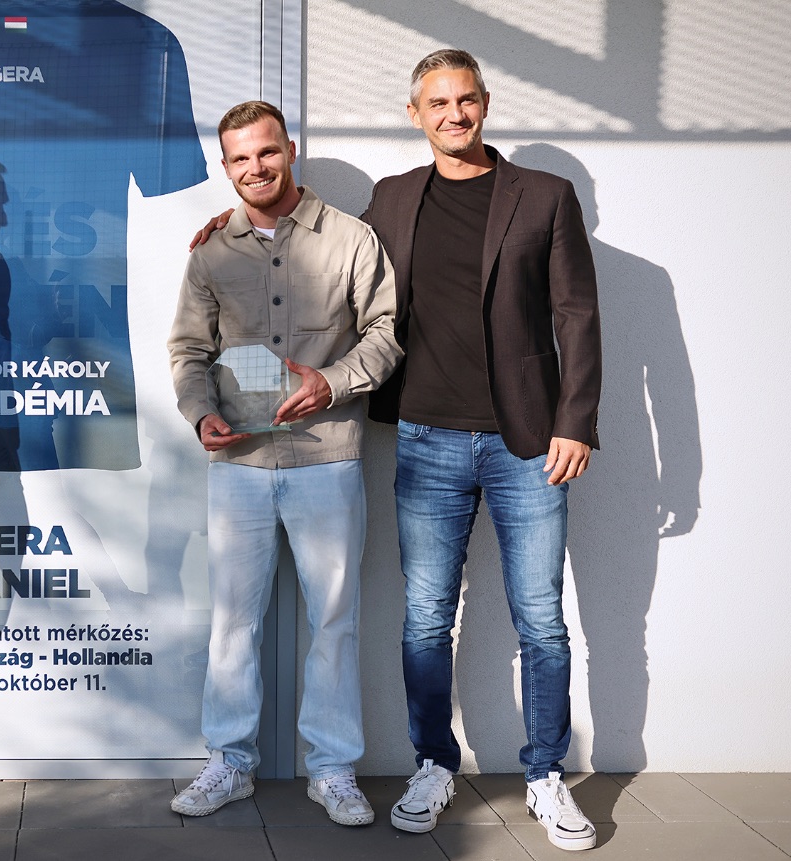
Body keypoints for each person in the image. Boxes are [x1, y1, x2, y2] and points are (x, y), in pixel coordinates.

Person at [363, 50, 601, 851]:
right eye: (438, 103)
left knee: (541, 619)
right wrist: (238, 225)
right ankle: (433, 764)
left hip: (526, 442)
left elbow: (577, 314)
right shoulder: (392, 198)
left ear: (486, 104)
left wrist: (576, 420)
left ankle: (545, 774)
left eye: (465, 100)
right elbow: (335, 264)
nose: (454, 114)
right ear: (415, 114)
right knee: (426, 619)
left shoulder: (545, 195)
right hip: (426, 435)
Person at [167, 100, 401, 825]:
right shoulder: (210, 252)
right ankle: (229, 763)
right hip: (239, 463)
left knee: (334, 619)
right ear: (226, 166)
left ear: (290, 149)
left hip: (328, 458)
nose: (256, 167)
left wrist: (332, 382)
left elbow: (386, 332)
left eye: (266, 151)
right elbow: (189, 350)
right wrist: (199, 412)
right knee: (232, 622)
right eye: (240, 158)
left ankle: (332, 770)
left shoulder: (352, 239)